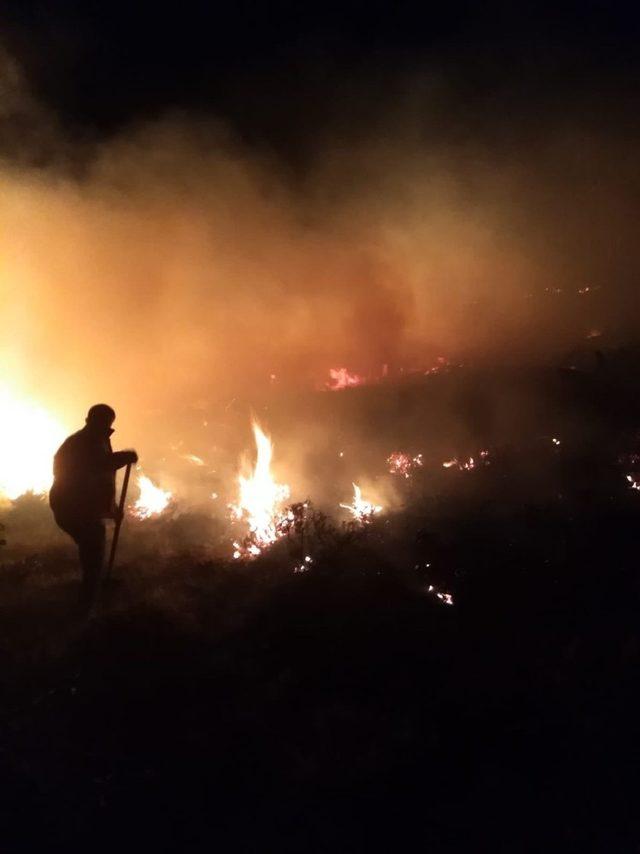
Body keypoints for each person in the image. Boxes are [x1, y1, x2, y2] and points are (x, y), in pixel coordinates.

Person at [50, 404, 138, 609]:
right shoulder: (83, 442)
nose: (107, 425)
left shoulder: (97, 439)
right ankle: (87, 606)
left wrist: (112, 509)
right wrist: (123, 457)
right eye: (105, 421)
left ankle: (91, 594)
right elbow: (96, 465)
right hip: (73, 507)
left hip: (78, 506)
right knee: (93, 552)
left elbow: (103, 481)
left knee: (93, 551)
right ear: (95, 420)